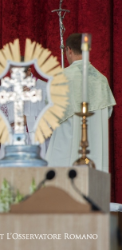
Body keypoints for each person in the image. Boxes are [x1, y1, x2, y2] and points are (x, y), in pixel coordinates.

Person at [46, 33, 116, 172]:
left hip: (66, 145)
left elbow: (49, 114)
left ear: (69, 50)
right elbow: (108, 112)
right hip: (94, 147)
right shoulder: (101, 80)